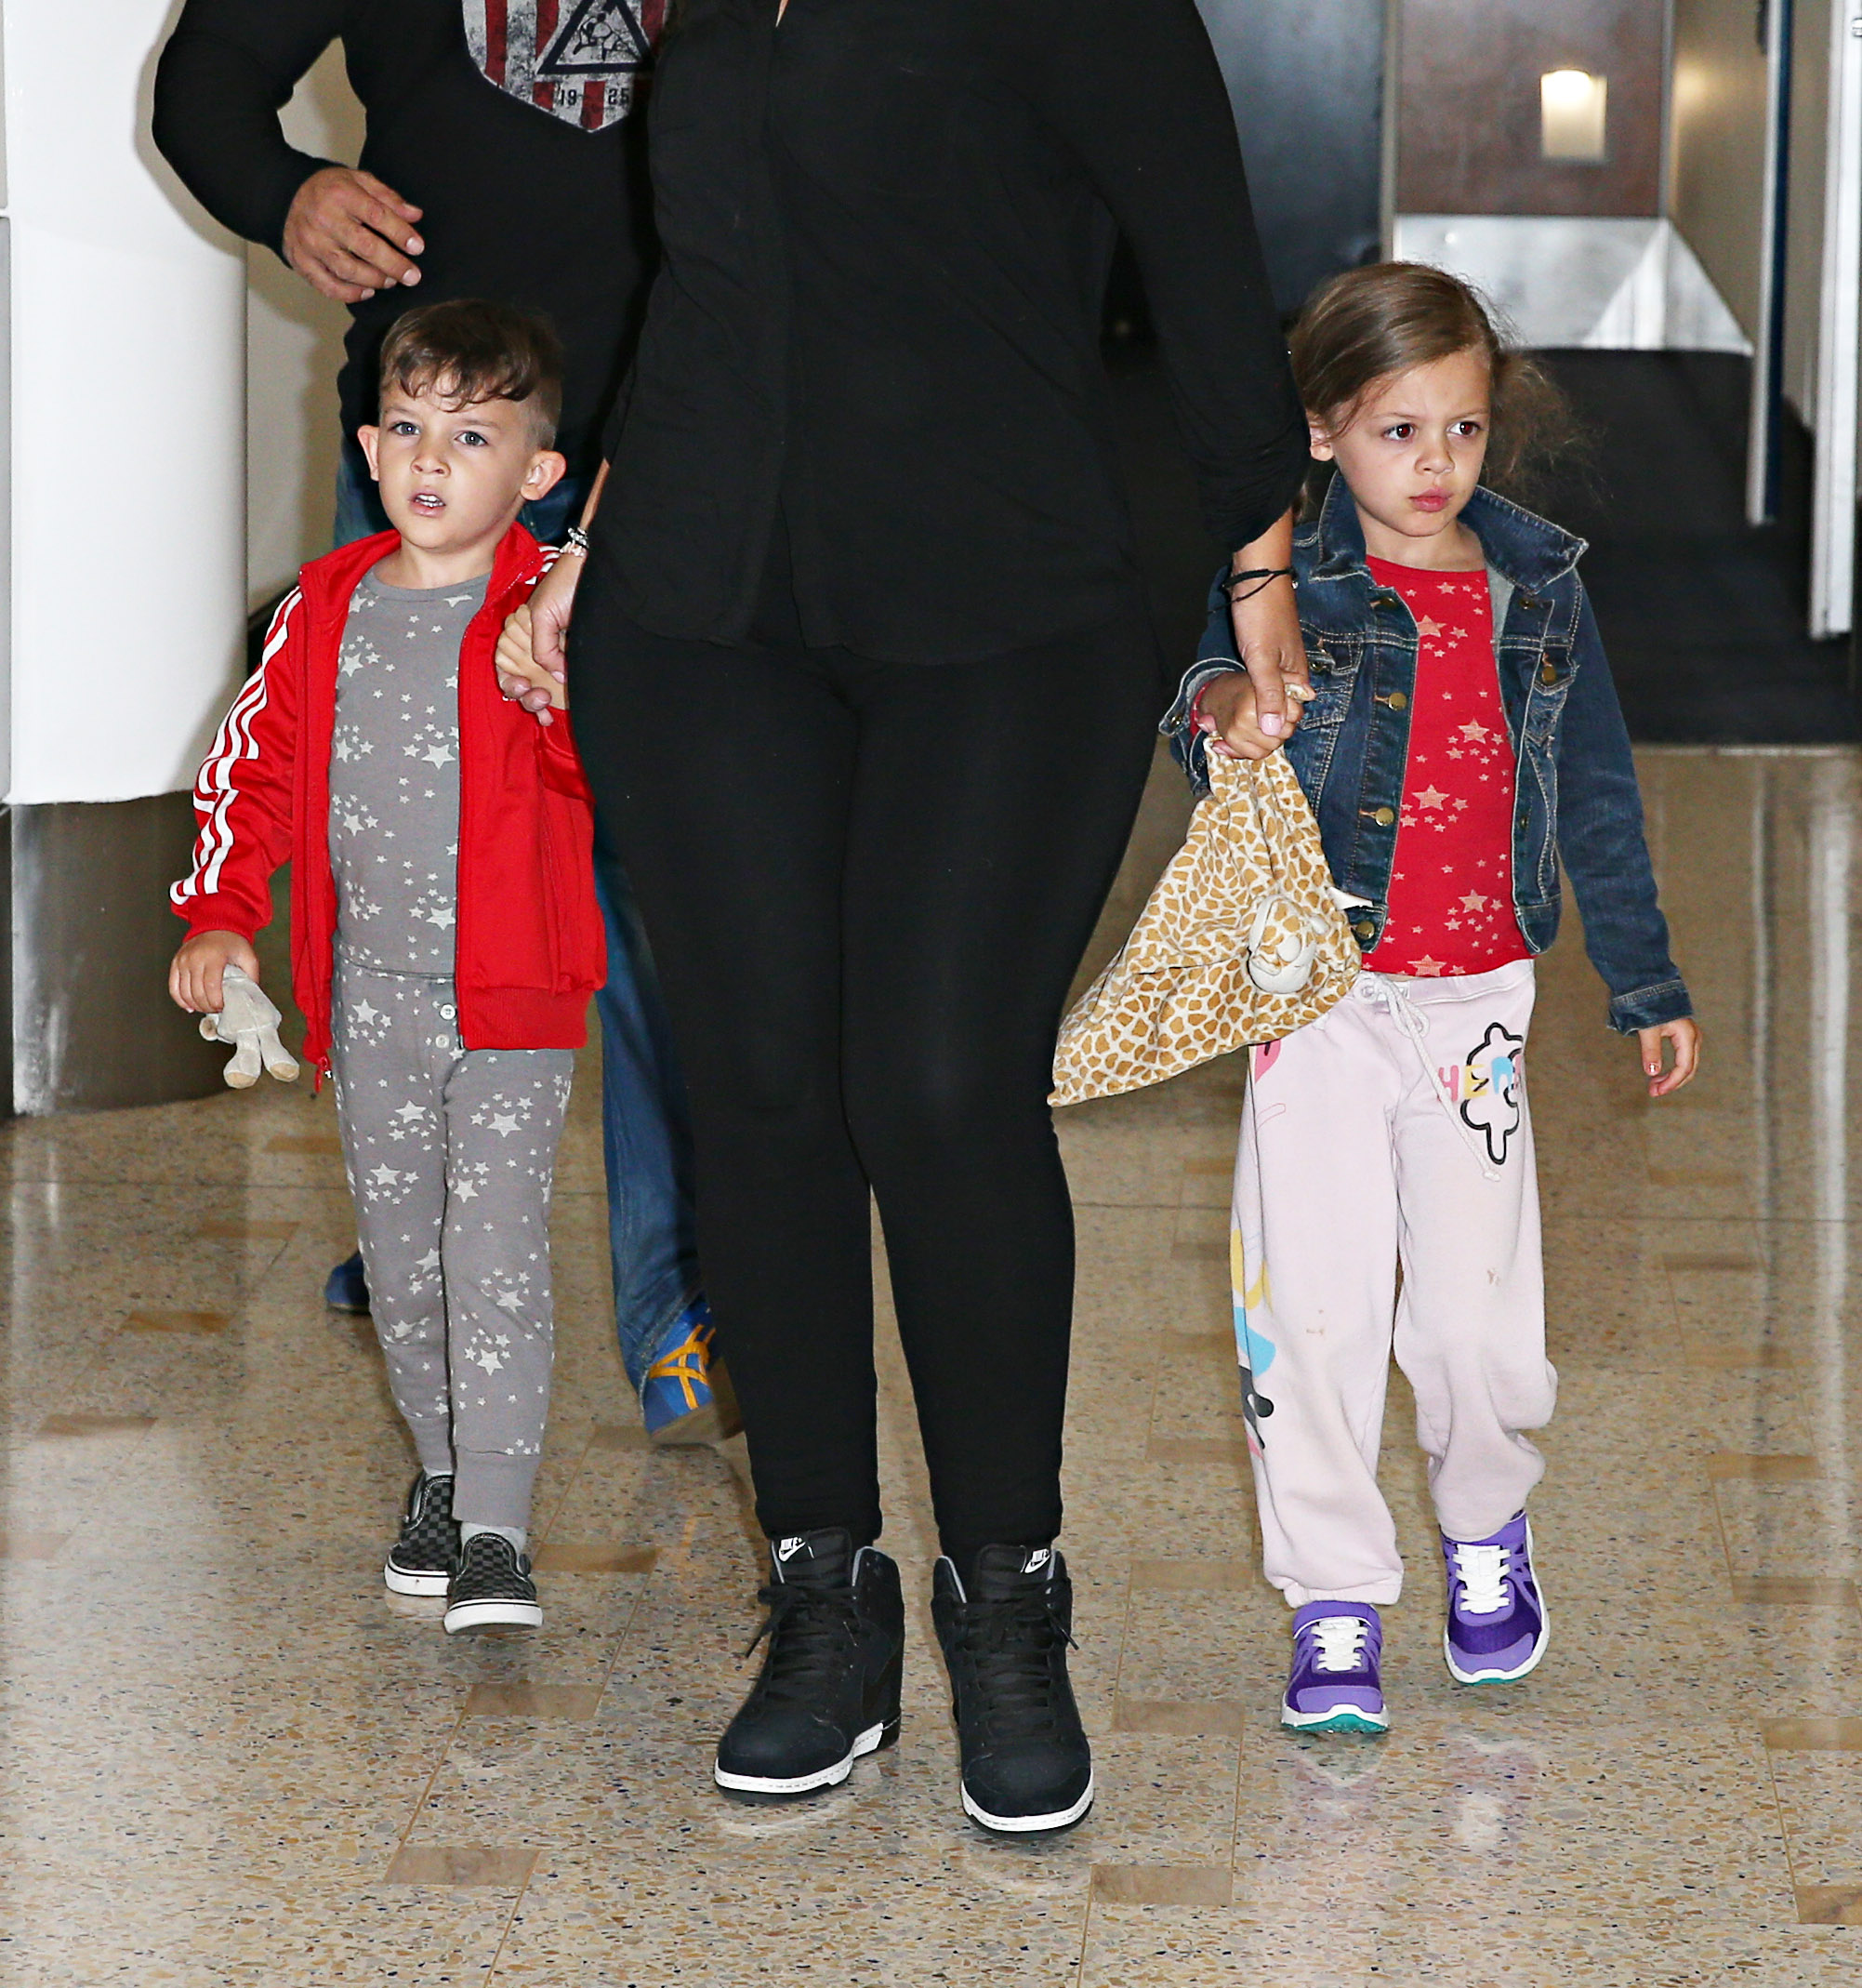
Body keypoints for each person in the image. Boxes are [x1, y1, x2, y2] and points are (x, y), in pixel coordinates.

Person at [498, 0, 1311, 1833]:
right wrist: (593, 539)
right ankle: (825, 1590)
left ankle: (1006, 1597)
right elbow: (702, 269)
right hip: (707, 608)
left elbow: (1201, 253)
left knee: (938, 1087)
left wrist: (1257, 560)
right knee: (767, 1090)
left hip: (1008, 598)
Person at [151, 0, 733, 1445]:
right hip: (437, 472)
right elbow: (206, 81)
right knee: (414, 866)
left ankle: (681, 1307)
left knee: (663, 888)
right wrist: (286, 193)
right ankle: (422, 1218)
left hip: (688, 443)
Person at [1169, 262, 1701, 1735]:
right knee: (1316, 1306)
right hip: (1318, 1002)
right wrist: (1223, 712)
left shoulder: (1540, 589)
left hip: (1478, 1001)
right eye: (1398, 432)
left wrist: (1644, 974)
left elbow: (1595, 788)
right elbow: (1203, 690)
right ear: (1327, 429)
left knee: (1478, 1324)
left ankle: (1486, 1528)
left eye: (1462, 431)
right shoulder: (1290, 580)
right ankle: (1334, 1595)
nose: (1436, 466)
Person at [168, 301, 606, 1634]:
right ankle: (440, 1472)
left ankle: (497, 1527)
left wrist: (568, 710)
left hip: (517, 994)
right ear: (368, 442)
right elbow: (258, 773)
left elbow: (624, 787)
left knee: (493, 1253)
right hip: (370, 998)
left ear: (538, 470)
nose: (431, 460)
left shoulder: (553, 612)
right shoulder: (325, 607)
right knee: (403, 1262)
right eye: (409, 428)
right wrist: (222, 911)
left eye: (471, 435)